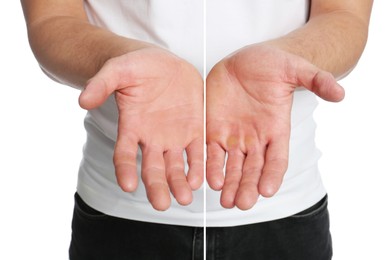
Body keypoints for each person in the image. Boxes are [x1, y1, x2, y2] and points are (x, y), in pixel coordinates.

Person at [21, 0, 372, 259]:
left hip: (284, 204)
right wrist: (120, 57)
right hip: (119, 210)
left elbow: (344, 14)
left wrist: (289, 54)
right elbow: (53, 17)